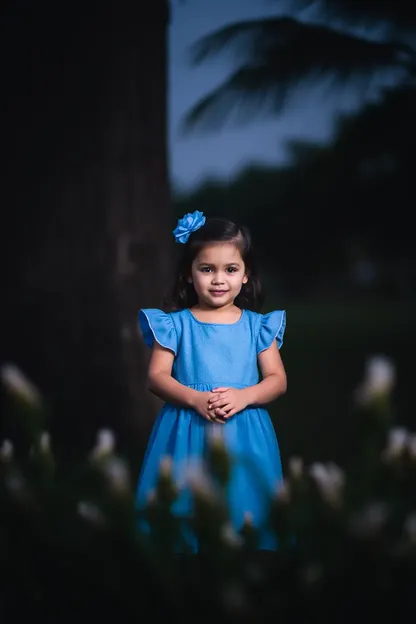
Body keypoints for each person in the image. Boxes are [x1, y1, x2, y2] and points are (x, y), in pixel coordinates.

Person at [136, 210, 287, 551]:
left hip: (244, 429)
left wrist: (245, 396)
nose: (219, 279)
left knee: (243, 507)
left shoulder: (257, 327)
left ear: (246, 275)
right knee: (183, 515)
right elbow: (156, 377)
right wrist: (194, 399)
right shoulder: (174, 325)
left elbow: (277, 380)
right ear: (189, 275)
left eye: (230, 269)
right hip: (186, 428)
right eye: (207, 269)